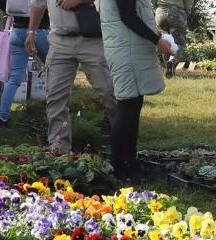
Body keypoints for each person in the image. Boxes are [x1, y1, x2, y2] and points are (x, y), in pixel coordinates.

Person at [26, 0, 117, 152]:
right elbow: (38, 4)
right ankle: (59, 149)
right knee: (55, 97)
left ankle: (124, 143)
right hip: (59, 40)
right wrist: (31, 32)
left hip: (92, 39)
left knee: (110, 92)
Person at [101, 0, 174, 179]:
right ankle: (118, 167)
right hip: (127, 50)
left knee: (133, 105)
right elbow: (128, 16)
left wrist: (155, 34)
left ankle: (129, 162)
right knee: (127, 106)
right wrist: (157, 40)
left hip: (128, 48)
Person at [0, 0, 50, 127]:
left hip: (18, 31)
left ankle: (3, 117)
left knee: (14, 77)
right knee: (56, 72)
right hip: (41, 31)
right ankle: (54, 115)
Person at [155, 0, 193, 77]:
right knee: (178, 41)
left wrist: (157, 6)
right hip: (177, 11)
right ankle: (172, 61)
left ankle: (165, 65)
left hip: (161, 11)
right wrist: (187, 10)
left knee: (162, 39)